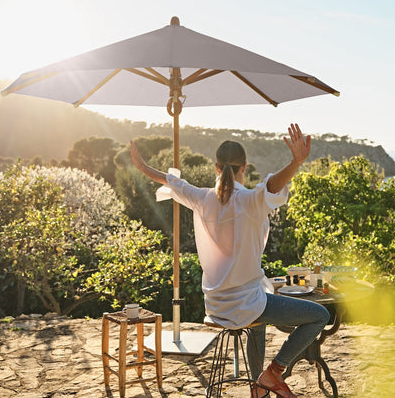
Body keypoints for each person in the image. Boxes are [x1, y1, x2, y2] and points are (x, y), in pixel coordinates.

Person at [130, 123, 329, 398]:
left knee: (258, 310)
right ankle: (273, 372)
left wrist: (142, 168)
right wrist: (295, 162)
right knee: (320, 315)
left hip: (215, 304)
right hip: (246, 304)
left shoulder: (202, 198)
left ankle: (257, 389)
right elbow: (271, 186)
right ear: (244, 167)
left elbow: (172, 181)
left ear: (215, 166)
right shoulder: (249, 201)